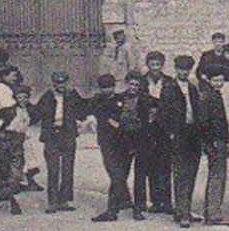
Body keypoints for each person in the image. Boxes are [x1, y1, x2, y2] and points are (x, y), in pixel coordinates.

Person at [89, 74, 137, 221]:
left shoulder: (120, 100)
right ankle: (127, 203)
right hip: (106, 142)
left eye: (110, 87)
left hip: (123, 142)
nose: (107, 90)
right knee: (116, 173)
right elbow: (86, 111)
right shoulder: (95, 101)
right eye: (104, 87)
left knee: (120, 174)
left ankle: (112, 210)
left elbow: (126, 119)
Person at [35, 71, 83, 213]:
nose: (60, 85)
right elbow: (36, 113)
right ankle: (52, 201)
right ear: (53, 83)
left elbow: (82, 109)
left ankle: (64, 200)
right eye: (57, 82)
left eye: (63, 82)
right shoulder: (47, 96)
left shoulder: (73, 95)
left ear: (67, 82)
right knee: (53, 168)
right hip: (52, 135)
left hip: (67, 134)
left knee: (68, 168)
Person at [165, 55, 204, 227]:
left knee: (192, 172)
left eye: (187, 69)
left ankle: (183, 209)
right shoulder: (169, 88)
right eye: (181, 69)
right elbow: (163, 113)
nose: (184, 72)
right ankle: (183, 213)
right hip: (178, 134)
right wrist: (171, 132)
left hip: (192, 134)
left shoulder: (193, 88)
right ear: (176, 69)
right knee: (181, 174)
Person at [136, 52, 176, 217]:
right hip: (146, 129)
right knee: (149, 166)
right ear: (147, 65)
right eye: (152, 65)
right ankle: (153, 201)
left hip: (163, 129)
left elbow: (172, 103)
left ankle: (166, 202)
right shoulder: (141, 81)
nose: (155, 68)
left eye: (157, 65)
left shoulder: (169, 82)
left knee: (165, 165)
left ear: (162, 65)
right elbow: (139, 101)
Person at [196, 66, 229, 225]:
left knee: (218, 176)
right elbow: (204, 123)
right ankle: (213, 214)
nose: (218, 83)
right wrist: (211, 142)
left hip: (219, 141)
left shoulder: (217, 95)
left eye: (221, 80)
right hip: (215, 142)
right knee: (217, 177)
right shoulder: (207, 97)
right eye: (215, 80)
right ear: (209, 81)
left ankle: (211, 212)